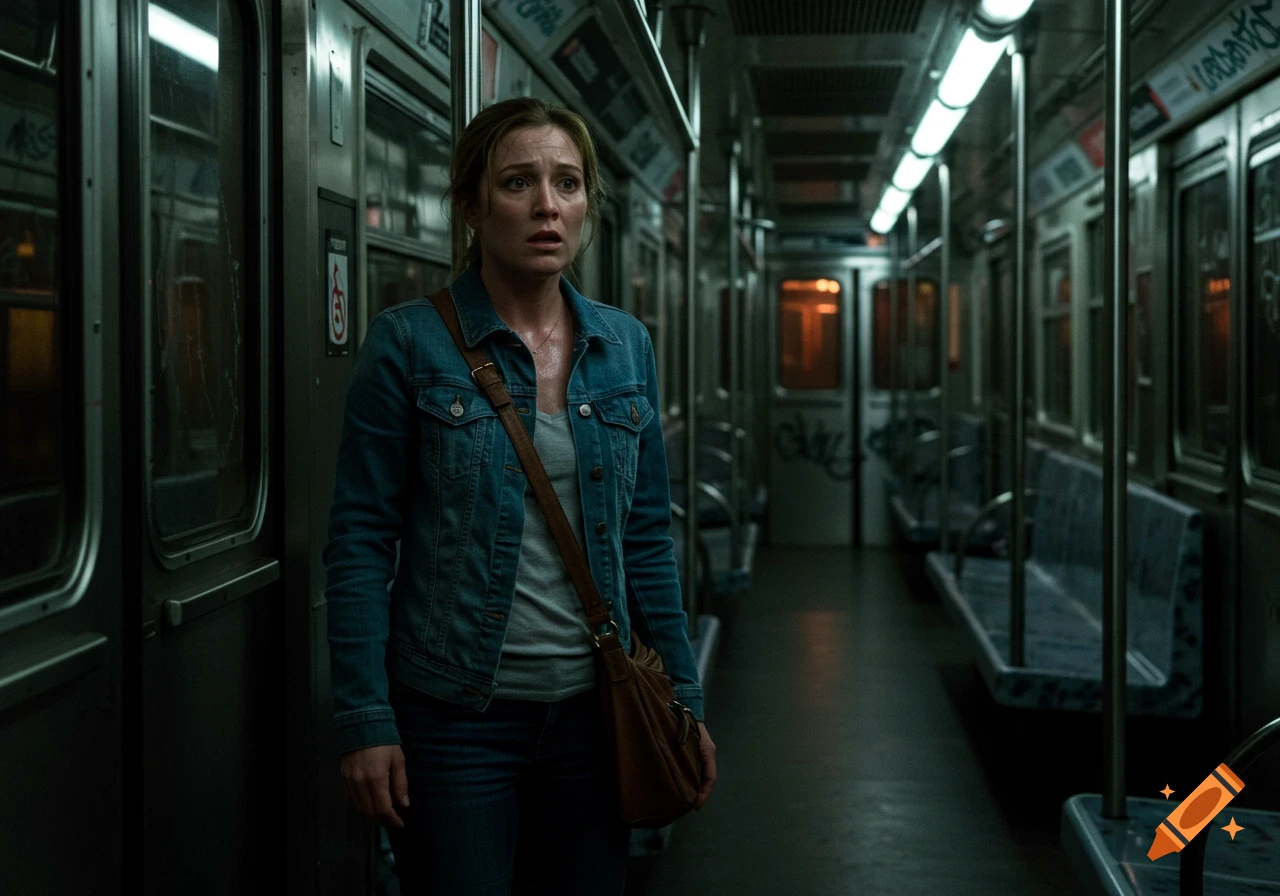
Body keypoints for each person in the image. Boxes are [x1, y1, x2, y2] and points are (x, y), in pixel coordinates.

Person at [323, 96, 717, 895]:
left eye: (567, 183)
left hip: (597, 713)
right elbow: (360, 542)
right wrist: (366, 719)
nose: (547, 205)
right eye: (517, 183)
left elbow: (645, 539)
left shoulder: (625, 346)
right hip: (455, 719)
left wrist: (682, 695)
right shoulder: (408, 344)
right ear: (471, 206)